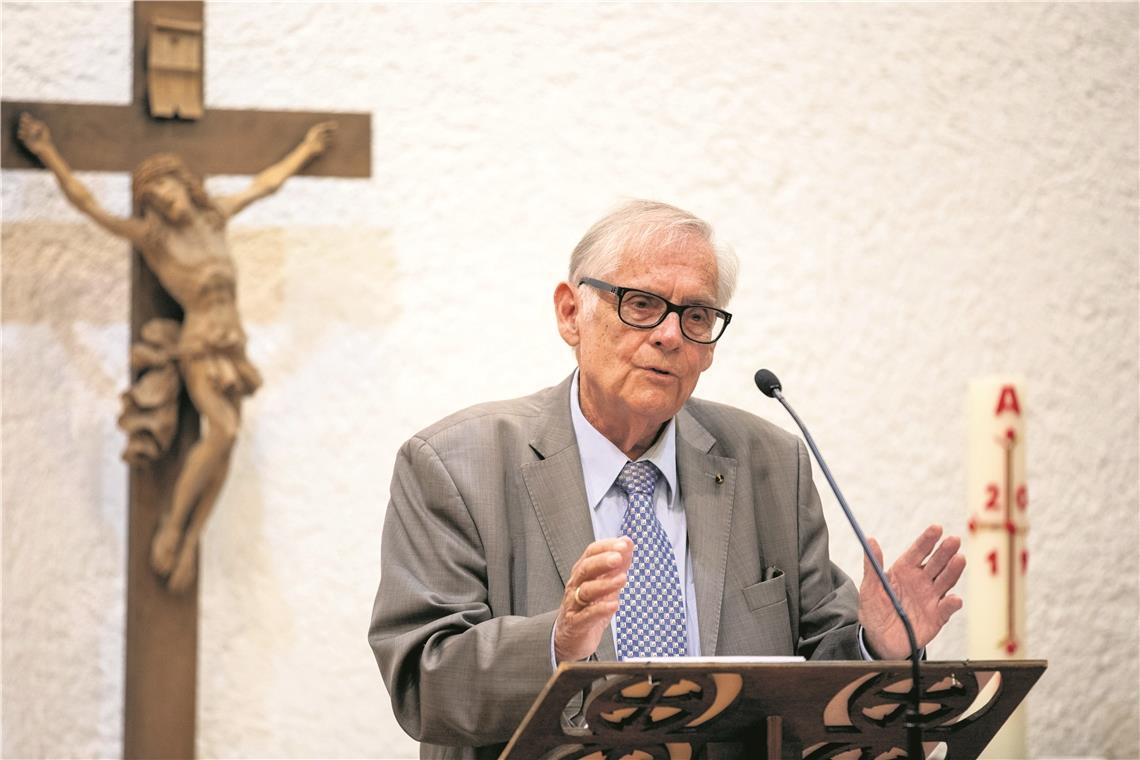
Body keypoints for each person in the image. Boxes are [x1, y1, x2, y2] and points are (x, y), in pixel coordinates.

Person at [368, 200, 965, 759]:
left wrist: (876, 647)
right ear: (571, 313)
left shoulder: (769, 463)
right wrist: (558, 644)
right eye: (641, 304)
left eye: (696, 316)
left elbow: (817, 665)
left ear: (708, 349)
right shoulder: (455, 465)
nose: (670, 335)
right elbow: (424, 681)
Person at [17, 113, 336, 593]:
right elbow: (89, 207)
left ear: (186, 187)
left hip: (234, 344)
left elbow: (264, 185)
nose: (166, 200)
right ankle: (171, 523)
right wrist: (48, 154)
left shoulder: (215, 218)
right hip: (201, 344)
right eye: (156, 198)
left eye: (170, 189)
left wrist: (306, 151)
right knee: (224, 431)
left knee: (227, 445)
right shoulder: (155, 239)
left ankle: (190, 539)